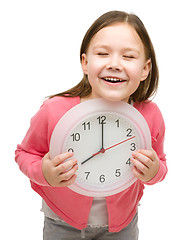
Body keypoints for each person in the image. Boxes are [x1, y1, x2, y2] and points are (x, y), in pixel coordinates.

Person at [15, 10, 167, 240]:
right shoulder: (54, 110)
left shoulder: (150, 115)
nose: (114, 64)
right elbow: (24, 153)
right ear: (85, 62)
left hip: (123, 225)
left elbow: (161, 164)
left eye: (128, 56)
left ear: (145, 69)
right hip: (61, 222)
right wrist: (43, 172)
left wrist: (154, 172)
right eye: (103, 53)